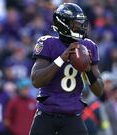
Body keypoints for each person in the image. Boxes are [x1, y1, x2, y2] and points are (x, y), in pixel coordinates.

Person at [29, 3, 103, 135]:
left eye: (81, 23)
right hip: (46, 114)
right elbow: (36, 81)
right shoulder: (48, 43)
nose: (80, 27)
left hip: (72, 116)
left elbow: (99, 91)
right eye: (75, 23)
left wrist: (88, 70)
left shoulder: (88, 47)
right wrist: (61, 59)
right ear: (63, 24)